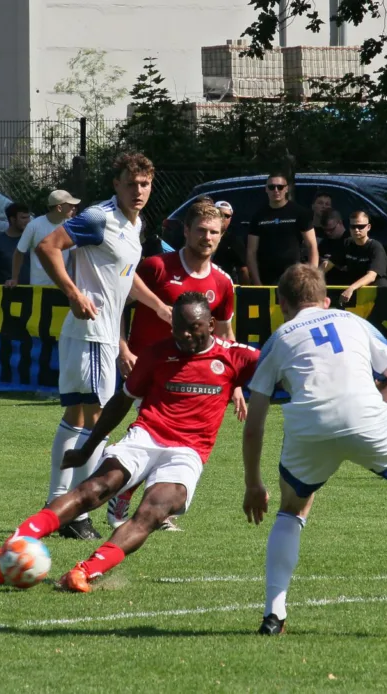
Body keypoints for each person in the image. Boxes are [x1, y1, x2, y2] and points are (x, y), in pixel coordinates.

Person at [242, 265, 387, 636]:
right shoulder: (353, 322)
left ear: (281, 303)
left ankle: (274, 616)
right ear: (326, 300)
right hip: (366, 417)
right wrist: (366, 413)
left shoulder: (277, 339)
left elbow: (254, 426)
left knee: (291, 510)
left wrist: (253, 483)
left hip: (309, 428)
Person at [0, 292, 259, 591]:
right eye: (177, 326)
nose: (183, 334)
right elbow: (121, 401)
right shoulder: (157, 353)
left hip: (187, 451)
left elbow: (282, 366)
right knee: (94, 489)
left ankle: (84, 572)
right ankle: (12, 546)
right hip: (145, 436)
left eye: (192, 327)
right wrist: (86, 449)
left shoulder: (236, 356)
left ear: (211, 324)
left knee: (154, 511)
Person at [33, 153, 170, 540]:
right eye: (131, 183)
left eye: (144, 184)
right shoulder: (100, 217)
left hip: (101, 335)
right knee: (97, 422)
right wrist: (73, 293)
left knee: (76, 418)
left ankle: (56, 501)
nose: (138, 191)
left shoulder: (134, 223)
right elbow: (47, 246)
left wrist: (156, 310)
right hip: (90, 332)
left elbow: (121, 280)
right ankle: (76, 513)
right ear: (116, 184)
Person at [107, 201, 241, 530]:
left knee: (176, 442)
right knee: (152, 436)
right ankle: (120, 496)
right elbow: (119, 302)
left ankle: (155, 506)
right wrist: (122, 346)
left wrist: (235, 382)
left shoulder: (222, 283)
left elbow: (225, 334)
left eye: (214, 232)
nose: (207, 237)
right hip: (144, 366)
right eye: (201, 230)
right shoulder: (156, 266)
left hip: (188, 375)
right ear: (186, 231)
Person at [246, 172, 317, 286]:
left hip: (294, 277)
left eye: (280, 187)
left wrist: (312, 277)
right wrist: (257, 283)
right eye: (271, 187)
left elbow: (312, 246)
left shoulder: (300, 213)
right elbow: (251, 252)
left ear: (286, 189)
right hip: (266, 278)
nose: (276, 190)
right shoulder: (258, 216)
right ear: (266, 189)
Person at [9, 190, 79, 288]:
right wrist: (14, 278)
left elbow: (75, 255)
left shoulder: (72, 225)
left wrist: (76, 282)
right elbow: (19, 252)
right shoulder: (34, 226)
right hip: (38, 287)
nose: (74, 208)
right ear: (59, 208)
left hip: (63, 287)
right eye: (70, 205)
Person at [325, 210, 387, 305]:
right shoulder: (347, 243)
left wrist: (351, 288)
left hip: (376, 295)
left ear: (368, 227)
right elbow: (328, 264)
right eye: (353, 226)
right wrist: (311, 279)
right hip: (356, 294)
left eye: (360, 227)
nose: (356, 230)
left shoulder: (375, 247)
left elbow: (371, 276)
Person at [0, 202, 31, 285]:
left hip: (34, 291)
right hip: (8, 293)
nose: (28, 221)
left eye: (28, 218)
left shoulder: (33, 240)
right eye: (23, 218)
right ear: (13, 220)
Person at [211, 200, 250, 284]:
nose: (223, 218)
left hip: (223, 284)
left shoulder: (233, 239)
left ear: (230, 219)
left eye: (227, 216)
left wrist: (246, 293)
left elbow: (242, 269)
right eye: (219, 214)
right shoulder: (202, 234)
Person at [317, 211, 348, 285]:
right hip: (326, 285)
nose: (328, 233)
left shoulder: (349, 241)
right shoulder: (324, 242)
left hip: (345, 285)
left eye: (331, 229)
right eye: (325, 230)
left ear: (340, 223)